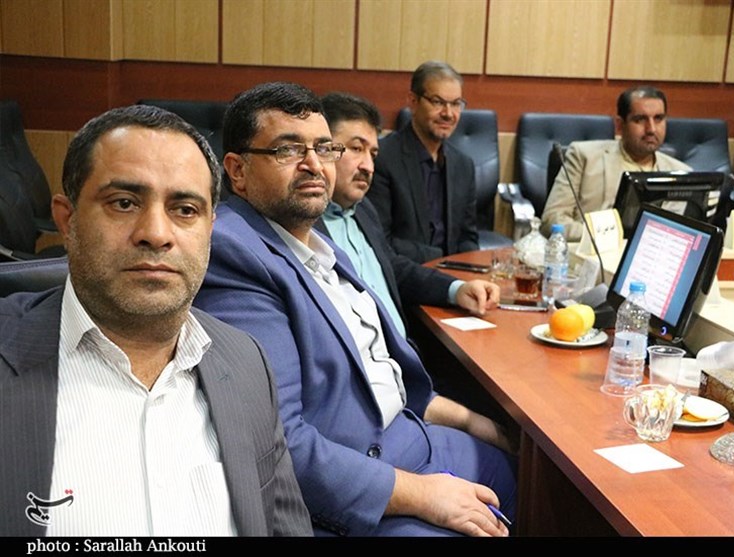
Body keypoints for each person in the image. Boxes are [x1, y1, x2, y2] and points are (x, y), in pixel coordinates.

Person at [193, 82, 517, 537]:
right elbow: (281, 445)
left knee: (523, 474)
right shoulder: (235, 253)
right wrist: (423, 494)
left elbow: (384, 376)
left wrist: (473, 421)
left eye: (324, 148)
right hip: (359, 484)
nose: (313, 164)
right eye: (288, 150)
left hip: (408, 433)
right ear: (238, 170)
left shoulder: (321, 244)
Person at [0, 105, 312, 537]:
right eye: (124, 203)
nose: (156, 233)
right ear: (67, 221)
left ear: (210, 229)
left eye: (185, 209)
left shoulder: (246, 363)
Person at [315, 91, 499, 340]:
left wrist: (456, 289)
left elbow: (393, 268)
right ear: (322, 150)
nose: (368, 166)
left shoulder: (364, 210)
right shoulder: (304, 226)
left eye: (373, 154)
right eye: (357, 148)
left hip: (404, 350)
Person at [541, 85, 692, 241]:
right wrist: (608, 236)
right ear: (620, 125)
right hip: (593, 252)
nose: (651, 129)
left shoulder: (682, 173)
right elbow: (551, 220)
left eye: (658, 118)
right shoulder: (584, 157)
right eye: (640, 119)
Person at [368, 60, 479, 263]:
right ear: (413, 101)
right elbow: (380, 240)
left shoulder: (464, 166)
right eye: (437, 102)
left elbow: (468, 238)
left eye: (456, 104)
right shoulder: (383, 158)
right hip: (404, 273)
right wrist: (441, 258)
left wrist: (468, 268)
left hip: (454, 274)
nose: (448, 114)